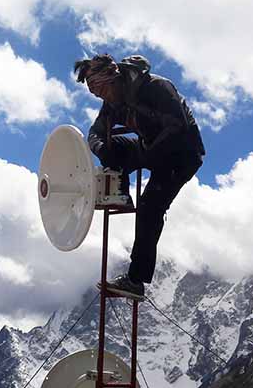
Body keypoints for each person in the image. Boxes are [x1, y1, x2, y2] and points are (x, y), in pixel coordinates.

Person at [74, 54, 205, 300]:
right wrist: (101, 148)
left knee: (150, 208)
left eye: (100, 90)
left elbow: (177, 127)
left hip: (182, 155)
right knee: (114, 148)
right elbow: (96, 131)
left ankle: (135, 281)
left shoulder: (156, 87)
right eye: (95, 93)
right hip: (150, 148)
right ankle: (120, 192)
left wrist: (149, 157)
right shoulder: (114, 101)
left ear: (112, 79)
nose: (99, 96)